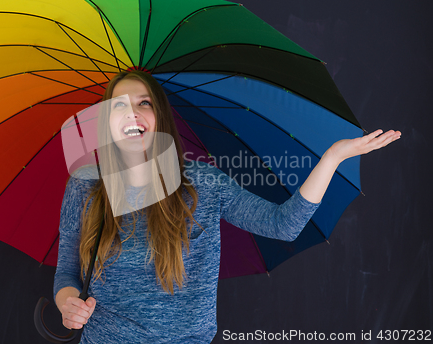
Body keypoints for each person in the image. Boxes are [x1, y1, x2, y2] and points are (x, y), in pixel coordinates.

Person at [54, 70, 401, 343]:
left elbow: (283, 225)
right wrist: (67, 302)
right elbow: (67, 274)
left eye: (144, 103)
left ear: (159, 116)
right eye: (119, 104)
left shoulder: (201, 183)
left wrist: (333, 157)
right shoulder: (86, 185)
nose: (132, 112)